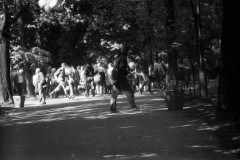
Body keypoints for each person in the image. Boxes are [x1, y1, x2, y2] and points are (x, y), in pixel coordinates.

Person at [110, 45, 138, 112]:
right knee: (130, 91)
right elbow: (121, 68)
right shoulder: (123, 57)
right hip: (121, 77)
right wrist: (128, 72)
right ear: (127, 51)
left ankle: (112, 109)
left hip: (116, 77)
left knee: (114, 93)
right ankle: (133, 106)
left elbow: (117, 67)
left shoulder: (118, 57)